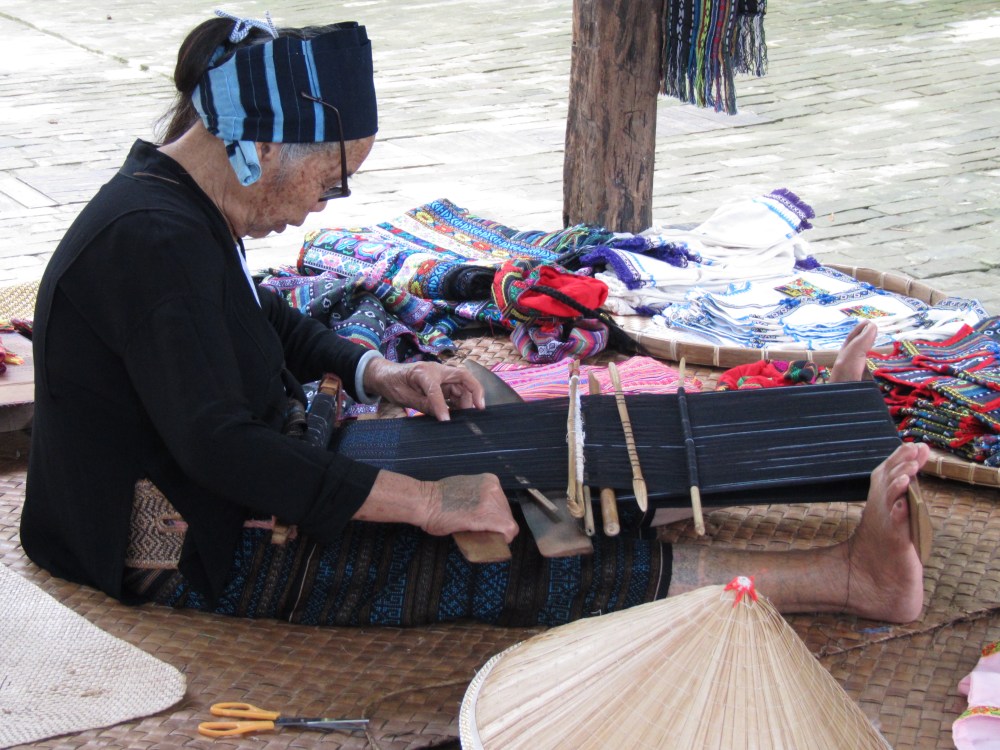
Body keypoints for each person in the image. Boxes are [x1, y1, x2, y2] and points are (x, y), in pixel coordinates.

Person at [21, 12, 929, 629]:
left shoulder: (173, 205)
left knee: (540, 443)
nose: (328, 203)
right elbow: (220, 449)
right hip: (181, 543)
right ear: (257, 146)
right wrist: (423, 505)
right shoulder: (151, 240)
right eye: (334, 178)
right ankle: (848, 578)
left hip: (251, 466)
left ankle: (815, 435)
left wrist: (380, 373)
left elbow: (265, 319)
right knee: (518, 559)